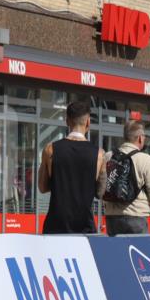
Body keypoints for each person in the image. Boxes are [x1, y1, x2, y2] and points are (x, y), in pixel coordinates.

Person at [38, 100, 106, 234]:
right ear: (88, 122)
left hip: (55, 226)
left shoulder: (50, 150)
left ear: (67, 121)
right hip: (84, 228)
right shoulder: (99, 154)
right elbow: (100, 193)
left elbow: (42, 187)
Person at [103, 121, 150, 235]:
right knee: (137, 252)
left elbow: (102, 186)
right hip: (136, 218)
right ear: (140, 138)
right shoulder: (145, 159)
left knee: (116, 252)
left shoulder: (108, 156)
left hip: (112, 218)